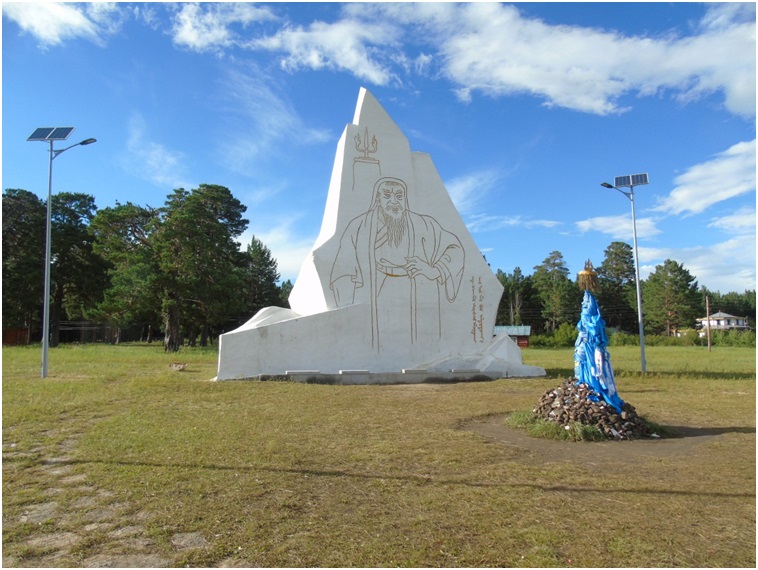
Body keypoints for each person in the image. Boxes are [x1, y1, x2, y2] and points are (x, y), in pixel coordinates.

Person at [330, 177, 465, 349]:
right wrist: (351, 301)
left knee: (418, 344)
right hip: (376, 295)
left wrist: (435, 270)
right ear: (377, 199)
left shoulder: (424, 225)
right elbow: (341, 273)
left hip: (416, 297)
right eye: (387, 196)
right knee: (378, 344)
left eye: (399, 196)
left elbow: (455, 248)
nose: (394, 202)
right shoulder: (358, 227)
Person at [574, 290, 624, 413]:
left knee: (593, 367)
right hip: (582, 345)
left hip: (589, 346)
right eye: (583, 302)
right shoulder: (585, 318)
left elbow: (595, 331)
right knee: (580, 362)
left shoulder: (592, 319)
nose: (583, 304)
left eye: (585, 302)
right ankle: (582, 381)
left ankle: (592, 385)